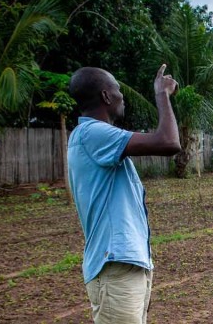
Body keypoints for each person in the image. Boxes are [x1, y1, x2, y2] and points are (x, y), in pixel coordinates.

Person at [68, 64, 181, 323]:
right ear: (106, 97)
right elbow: (168, 142)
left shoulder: (94, 137)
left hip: (125, 264)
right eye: (118, 90)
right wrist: (161, 94)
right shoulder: (93, 133)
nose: (123, 96)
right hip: (114, 267)